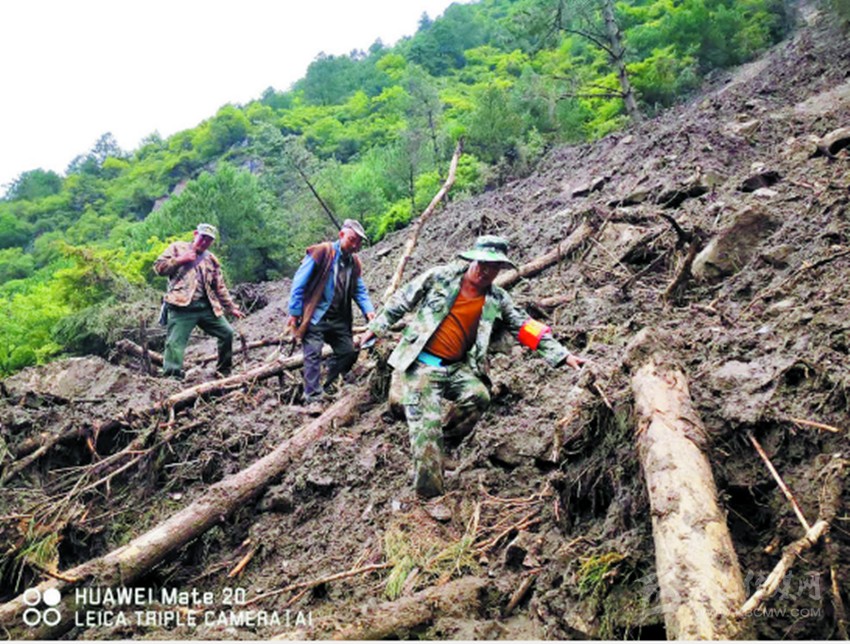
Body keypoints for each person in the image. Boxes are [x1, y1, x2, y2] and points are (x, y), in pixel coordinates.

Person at [360, 235, 585, 498]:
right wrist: (375, 327)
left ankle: (443, 443)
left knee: (478, 396)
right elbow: (402, 299)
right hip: (420, 365)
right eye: (482, 264)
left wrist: (563, 355)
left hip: (456, 368)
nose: (485, 271)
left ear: (500, 269)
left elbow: (524, 326)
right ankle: (429, 498)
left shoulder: (497, 298)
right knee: (426, 435)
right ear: (472, 260)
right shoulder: (440, 277)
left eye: (493, 267)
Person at [287, 219, 376, 409]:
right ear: (341, 235)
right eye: (352, 240)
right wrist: (294, 313)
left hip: (338, 318)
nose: (355, 245)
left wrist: (369, 310)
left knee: (348, 352)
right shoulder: (322, 252)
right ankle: (313, 398)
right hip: (315, 316)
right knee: (313, 354)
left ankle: (329, 384)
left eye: (359, 242)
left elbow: (359, 290)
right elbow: (298, 283)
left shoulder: (353, 262)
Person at [153, 223, 244, 379]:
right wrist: (180, 260)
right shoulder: (177, 248)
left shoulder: (211, 259)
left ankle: (224, 371)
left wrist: (231, 307)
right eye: (203, 237)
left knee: (227, 333)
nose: (205, 242)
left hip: (206, 307)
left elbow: (219, 286)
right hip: (181, 307)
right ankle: (172, 377)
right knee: (175, 343)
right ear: (196, 234)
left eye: (209, 240)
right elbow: (159, 268)